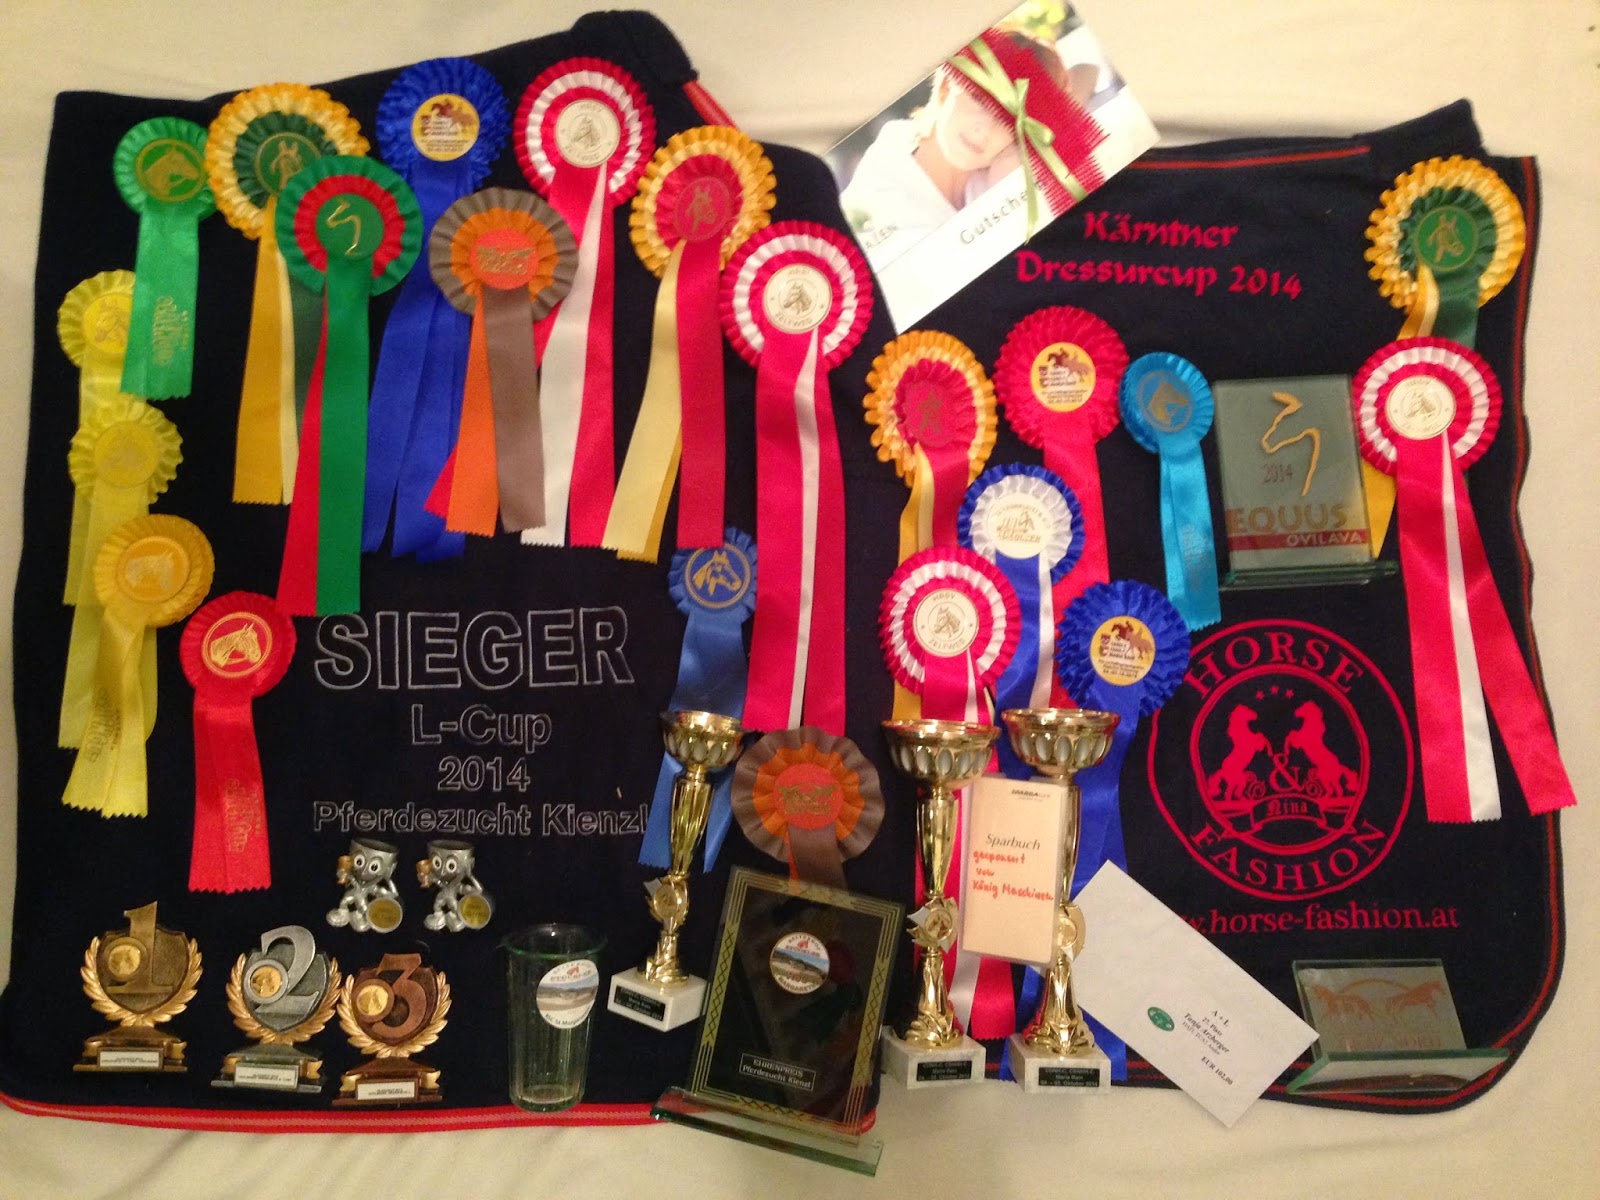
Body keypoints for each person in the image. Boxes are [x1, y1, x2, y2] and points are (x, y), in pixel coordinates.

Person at [839, 26, 1104, 269]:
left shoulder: (991, 175)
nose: (984, 129)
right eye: (979, 98)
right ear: (946, 87)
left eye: (1009, 117)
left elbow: (1087, 70)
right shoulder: (882, 190)